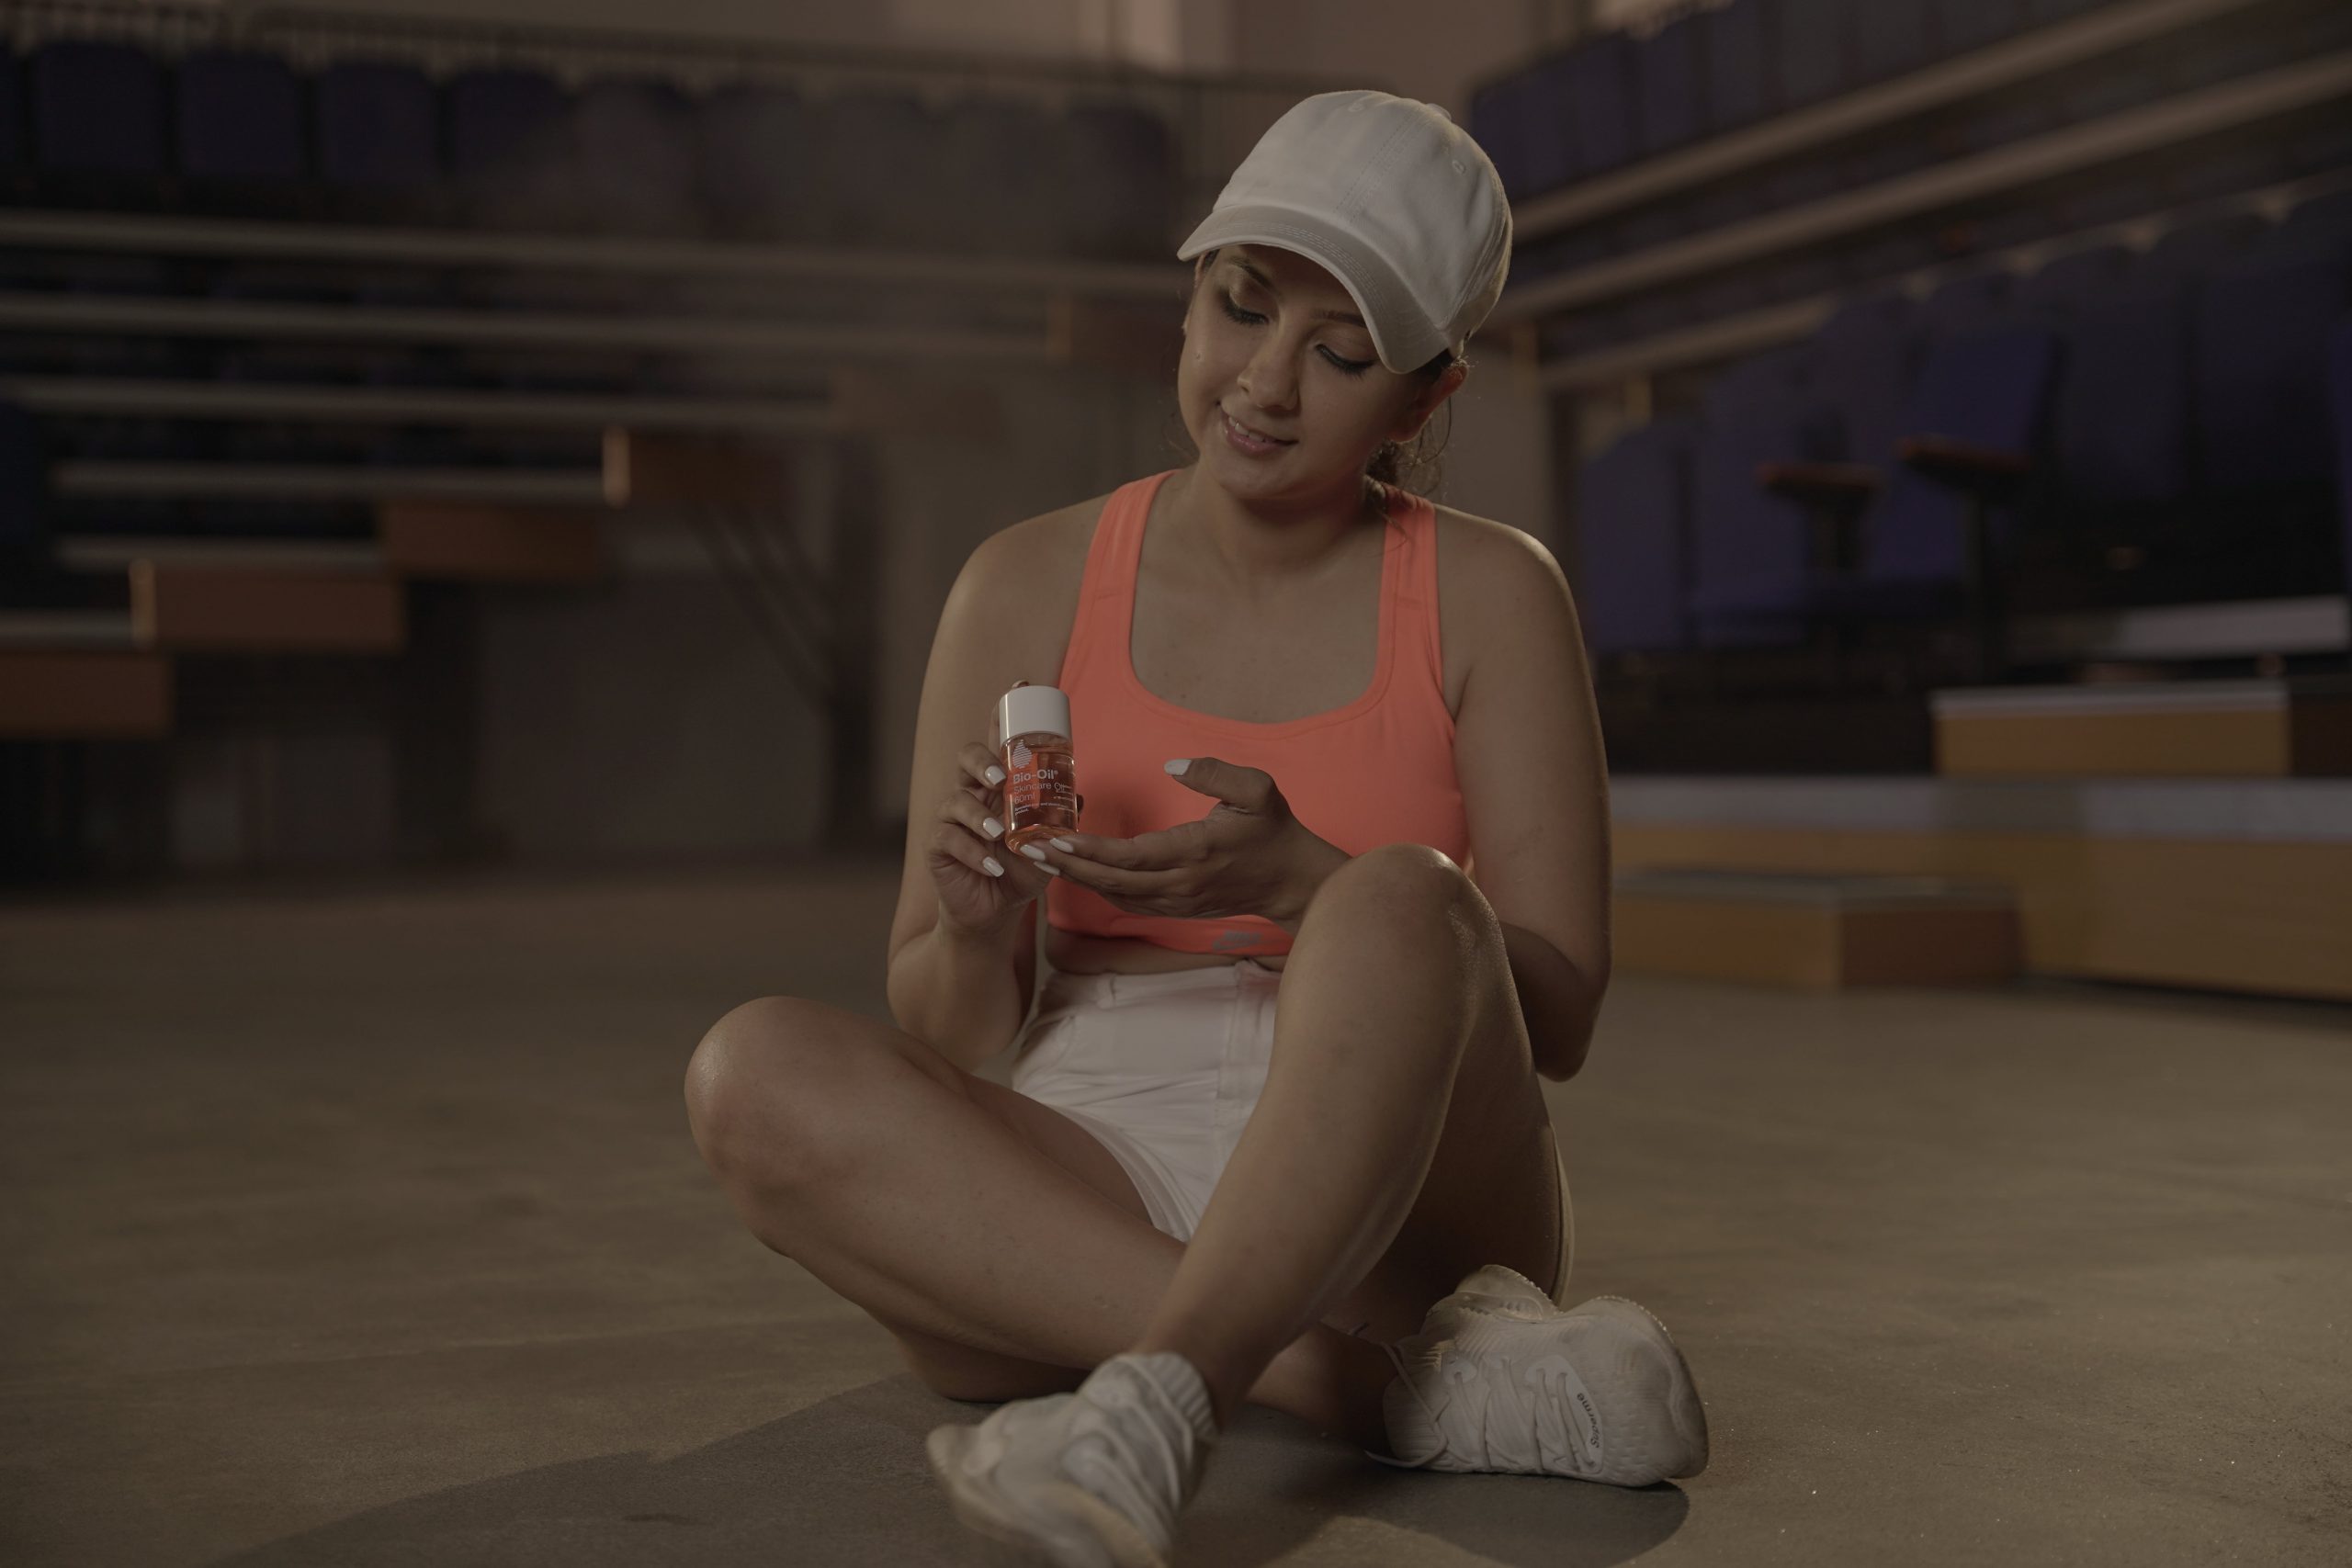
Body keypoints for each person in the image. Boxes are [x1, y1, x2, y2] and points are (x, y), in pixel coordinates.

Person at [683, 88, 1708, 1567]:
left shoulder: (1493, 593)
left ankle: (1153, 1398)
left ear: (1423, 399)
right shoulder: (1021, 580)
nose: (1265, 383)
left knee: (1404, 895)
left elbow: (1556, 1018)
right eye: (1240, 305)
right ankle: (1379, 1394)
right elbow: (952, 1031)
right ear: (1189, 298)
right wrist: (977, 926)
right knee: (751, 1074)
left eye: (1339, 353)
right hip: (1090, 1176)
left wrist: (1315, 889)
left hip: (1403, 1193)